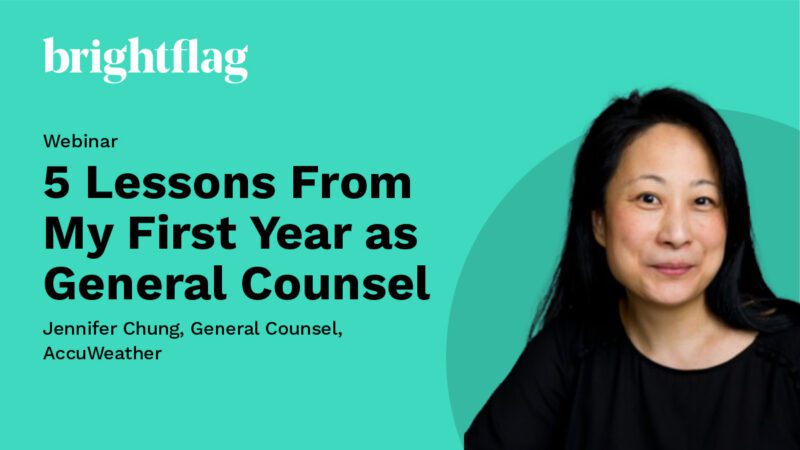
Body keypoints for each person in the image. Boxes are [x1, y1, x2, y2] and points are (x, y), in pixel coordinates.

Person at [465, 88, 800, 450]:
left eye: (702, 201)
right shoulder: (565, 354)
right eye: (648, 198)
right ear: (599, 224)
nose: (676, 234)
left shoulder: (792, 353)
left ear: (730, 221)